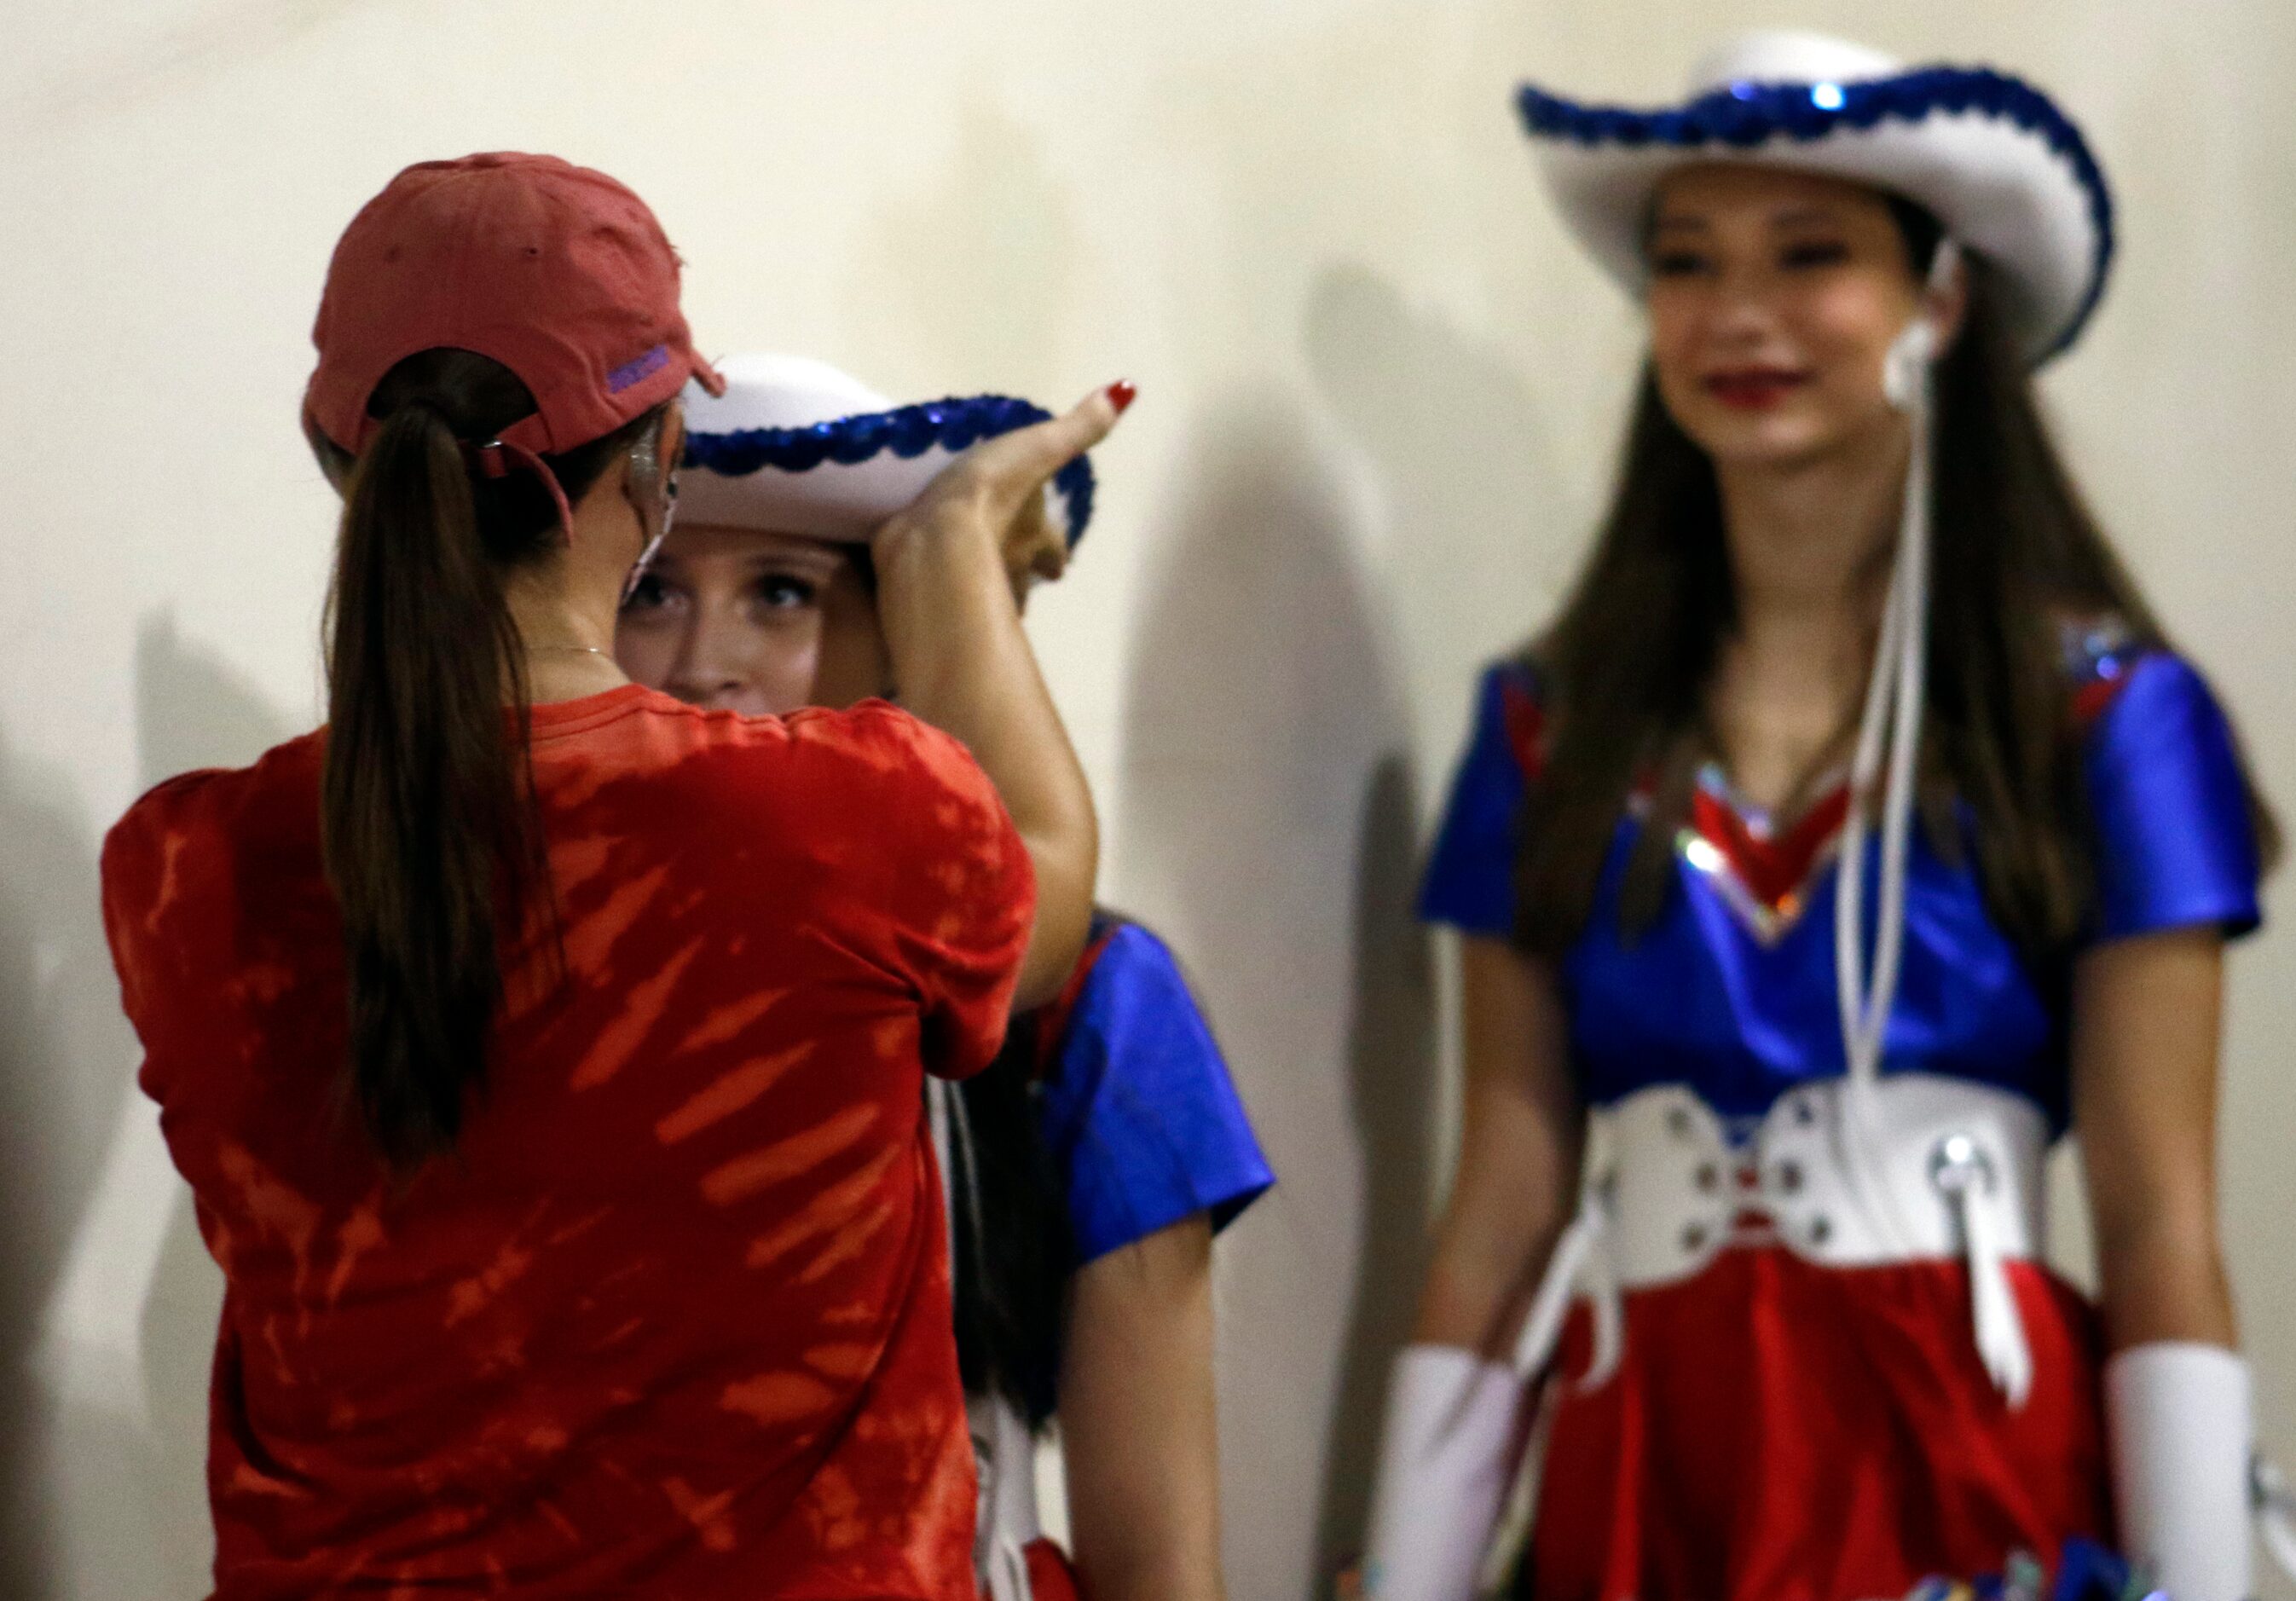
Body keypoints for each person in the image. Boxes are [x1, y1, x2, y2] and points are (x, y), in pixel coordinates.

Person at [100, 153, 1120, 1598]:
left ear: (341, 462)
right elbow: (1051, 885)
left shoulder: (182, 875)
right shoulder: (848, 821)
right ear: (654, 468)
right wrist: (950, 541)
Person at [1362, 34, 2279, 1601]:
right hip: (1648, 1473)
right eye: (1686, 261)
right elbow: (1503, 1201)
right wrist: (1402, 1577)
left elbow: (2154, 1215)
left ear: (1939, 299)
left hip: (1963, 1461)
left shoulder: (2111, 721)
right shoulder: (1544, 726)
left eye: (1808, 255)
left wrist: (2197, 1578)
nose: (1737, 312)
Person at [616, 354, 1275, 1601]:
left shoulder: (1086, 1002)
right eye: (652, 591)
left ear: (906, 637)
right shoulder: (515, 959)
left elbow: (1160, 1568)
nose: (705, 661)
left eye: (779, 593)